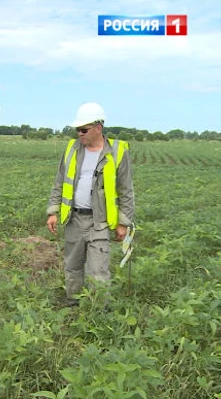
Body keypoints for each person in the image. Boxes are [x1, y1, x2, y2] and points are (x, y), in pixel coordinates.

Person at [46, 102, 135, 307]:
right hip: (74, 219)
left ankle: (98, 312)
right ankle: (72, 304)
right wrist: (53, 211)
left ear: (98, 127)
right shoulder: (72, 149)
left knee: (98, 271)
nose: (80, 134)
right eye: (78, 129)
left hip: (100, 222)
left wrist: (123, 222)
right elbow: (59, 182)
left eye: (84, 129)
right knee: (73, 267)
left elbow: (126, 190)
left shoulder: (117, 152)